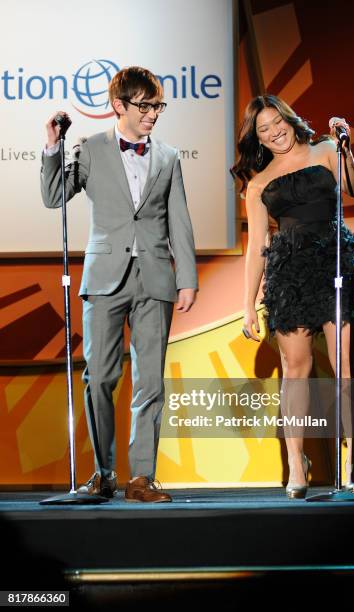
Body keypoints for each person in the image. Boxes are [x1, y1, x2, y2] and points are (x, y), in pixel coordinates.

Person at [41, 66, 198, 503]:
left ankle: (142, 478)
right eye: (146, 106)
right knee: (101, 377)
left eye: (157, 106)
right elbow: (55, 196)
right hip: (105, 277)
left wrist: (187, 279)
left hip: (155, 280)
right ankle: (103, 472)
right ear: (119, 106)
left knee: (150, 382)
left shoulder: (168, 156)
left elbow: (179, 221)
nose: (153, 114)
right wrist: (53, 146)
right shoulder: (90, 149)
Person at [232, 94, 354, 499]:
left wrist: (346, 146)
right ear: (256, 139)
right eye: (264, 129)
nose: (275, 132)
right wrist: (246, 304)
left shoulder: (326, 150)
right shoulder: (258, 184)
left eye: (278, 122)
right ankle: (297, 461)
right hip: (288, 273)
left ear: (290, 120)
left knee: (346, 365)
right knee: (296, 369)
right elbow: (257, 245)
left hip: (336, 264)